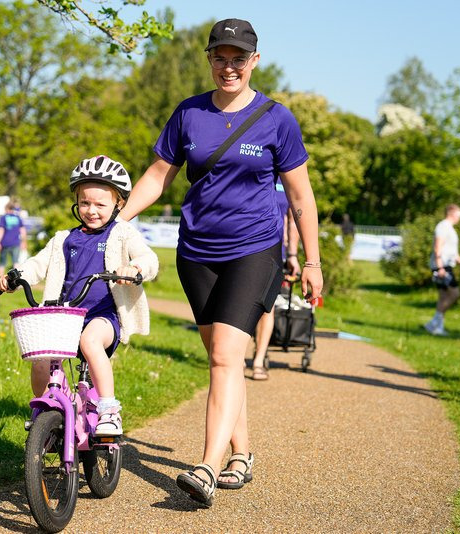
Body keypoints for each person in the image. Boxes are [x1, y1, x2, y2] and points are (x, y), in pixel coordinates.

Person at [118, 18, 323, 506]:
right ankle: (242, 454)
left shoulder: (278, 118)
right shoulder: (188, 113)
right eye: (219, 57)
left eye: (238, 58)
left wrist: (311, 261)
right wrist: (118, 220)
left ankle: (207, 465)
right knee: (222, 358)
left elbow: (301, 197)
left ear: (254, 61)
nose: (228, 67)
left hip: (254, 250)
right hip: (196, 253)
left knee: (226, 356)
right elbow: (158, 175)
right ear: (209, 59)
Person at [0, 155, 159, 435]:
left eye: (100, 204)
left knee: (90, 340)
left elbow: (148, 257)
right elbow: (38, 263)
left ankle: (108, 409)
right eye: (85, 202)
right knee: (40, 358)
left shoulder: (122, 233)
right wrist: (15, 277)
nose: (91, 210)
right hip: (65, 317)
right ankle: (46, 412)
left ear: (118, 204)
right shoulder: (63, 238)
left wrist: (134, 268)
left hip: (103, 316)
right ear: (76, 201)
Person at [250, 181, 301, 380]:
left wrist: (292, 255)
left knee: (265, 307)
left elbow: (293, 217)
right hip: (238, 250)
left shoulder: (287, 177)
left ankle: (258, 361)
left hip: (273, 252)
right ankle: (230, 359)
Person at [423, 204, 460, 336]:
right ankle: (434, 322)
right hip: (442, 266)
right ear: (452, 213)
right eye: (459, 215)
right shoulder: (443, 227)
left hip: (446, 265)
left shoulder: (450, 228)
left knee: (444, 296)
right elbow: (438, 247)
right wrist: (440, 267)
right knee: (454, 293)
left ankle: (438, 327)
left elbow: (453, 252)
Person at [0, 201, 28, 278]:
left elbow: (1, 230)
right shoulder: (18, 218)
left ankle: (0, 278)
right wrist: (24, 242)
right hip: (16, 243)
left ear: (7, 209)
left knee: (2, 262)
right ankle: (16, 279)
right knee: (16, 261)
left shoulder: (4, 218)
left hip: (5, 242)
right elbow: (23, 231)